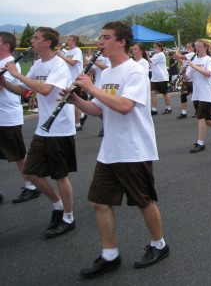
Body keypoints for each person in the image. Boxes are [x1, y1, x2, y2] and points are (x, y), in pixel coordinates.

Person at [67, 22, 169, 278]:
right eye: (100, 37)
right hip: (110, 149)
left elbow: (124, 106)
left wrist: (91, 89)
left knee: (144, 201)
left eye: (105, 37)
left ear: (121, 41)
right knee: (98, 202)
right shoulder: (106, 74)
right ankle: (110, 254)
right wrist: (77, 100)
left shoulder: (134, 71)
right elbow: (102, 111)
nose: (100, 42)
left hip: (134, 148)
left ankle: (160, 245)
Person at [0, 27, 77, 238]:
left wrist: (16, 74)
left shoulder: (59, 65)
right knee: (32, 172)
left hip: (60, 127)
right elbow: (26, 91)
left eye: (36, 38)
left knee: (60, 175)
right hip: (43, 127)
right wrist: (6, 82)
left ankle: (68, 217)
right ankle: (58, 205)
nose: (31, 41)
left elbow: (45, 90)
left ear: (48, 43)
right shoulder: (37, 64)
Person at [0, 32, 41, 204]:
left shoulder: (9, 64)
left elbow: (5, 87)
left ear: (6, 45)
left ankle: (31, 186)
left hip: (7, 117)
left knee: (18, 155)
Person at [187, 39, 211, 153]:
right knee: (207, 118)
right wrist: (183, 72)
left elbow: (209, 74)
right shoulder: (194, 60)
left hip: (206, 92)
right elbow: (187, 78)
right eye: (196, 46)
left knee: (201, 118)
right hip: (197, 92)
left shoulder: (209, 60)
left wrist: (194, 66)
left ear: (206, 47)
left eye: (199, 46)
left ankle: (200, 142)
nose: (197, 48)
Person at [56, 35, 86, 130]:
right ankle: (81, 115)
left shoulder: (77, 50)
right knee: (69, 101)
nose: (67, 41)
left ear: (74, 41)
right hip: (68, 80)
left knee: (74, 101)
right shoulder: (67, 52)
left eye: (69, 40)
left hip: (76, 79)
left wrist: (61, 55)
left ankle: (77, 124)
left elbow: (73, 63)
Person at [173, 42, 196, 119]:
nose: (187, 48)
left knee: (195, 97)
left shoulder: (192, 54)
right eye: (187, 47)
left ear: (193, 48)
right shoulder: (188, 56)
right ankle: (184, 113)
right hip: (186, 78)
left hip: (193, 79)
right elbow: (182, 62)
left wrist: (177, 52)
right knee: (183, 95)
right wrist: (177, 57)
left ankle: (198, 111)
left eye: (189, 46)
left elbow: (179, 55)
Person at [149, 43, 171, 115]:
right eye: (153, 47)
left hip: (162, 77)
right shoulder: (155, 55)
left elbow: (150, 60)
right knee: (152, 93)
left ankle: (168, 107)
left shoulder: (161, 54)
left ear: (160, 47)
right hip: (154, 77)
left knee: (164, 93)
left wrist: (145, 54)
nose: (154, 48)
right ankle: (154, 109)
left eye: (156, 47)